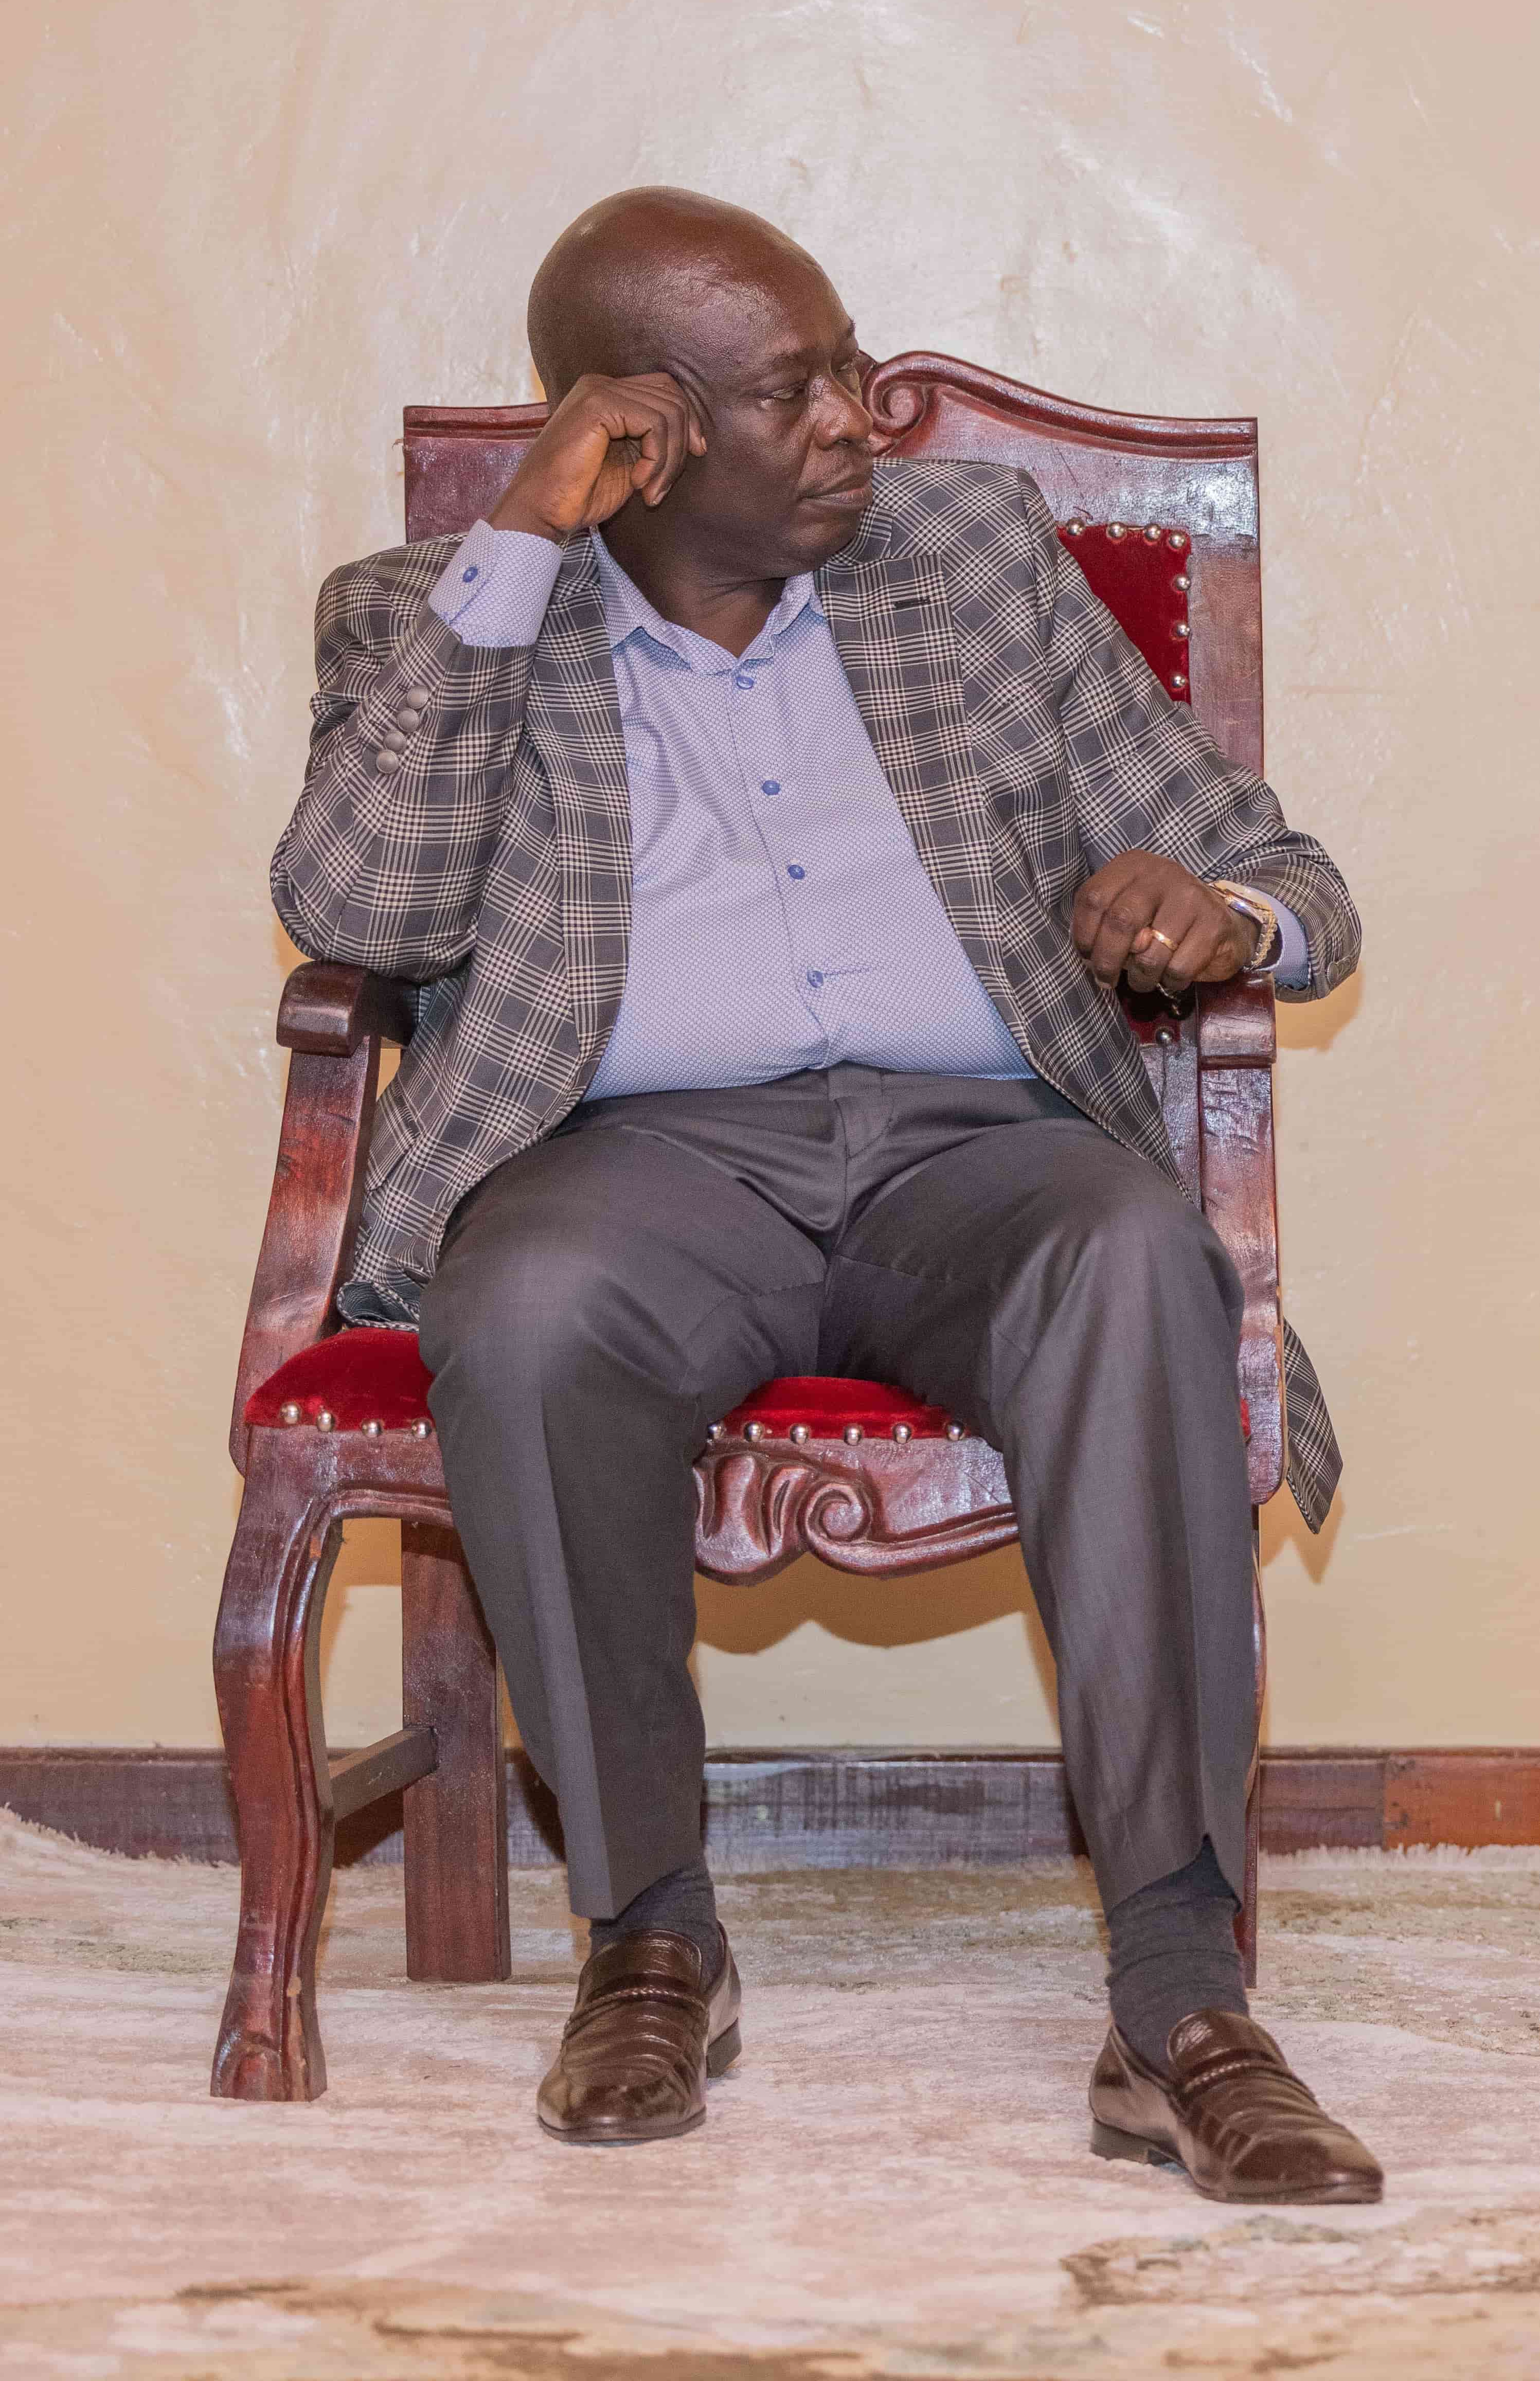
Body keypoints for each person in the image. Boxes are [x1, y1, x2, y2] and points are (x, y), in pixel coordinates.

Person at [268, 188, 1378, 2203]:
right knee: (516, 1307)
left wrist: (1207, 911)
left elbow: (1286, 872)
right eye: (801, 392)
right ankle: (653, 1932)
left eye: (860, 367)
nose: (870, 417)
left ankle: (1181, 1999)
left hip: (982, 1150)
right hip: (636, 1169)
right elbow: (354, 913)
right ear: (650, 432)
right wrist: (522, 540)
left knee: (1142, 1252)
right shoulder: (440, 609)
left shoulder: (976, 566)